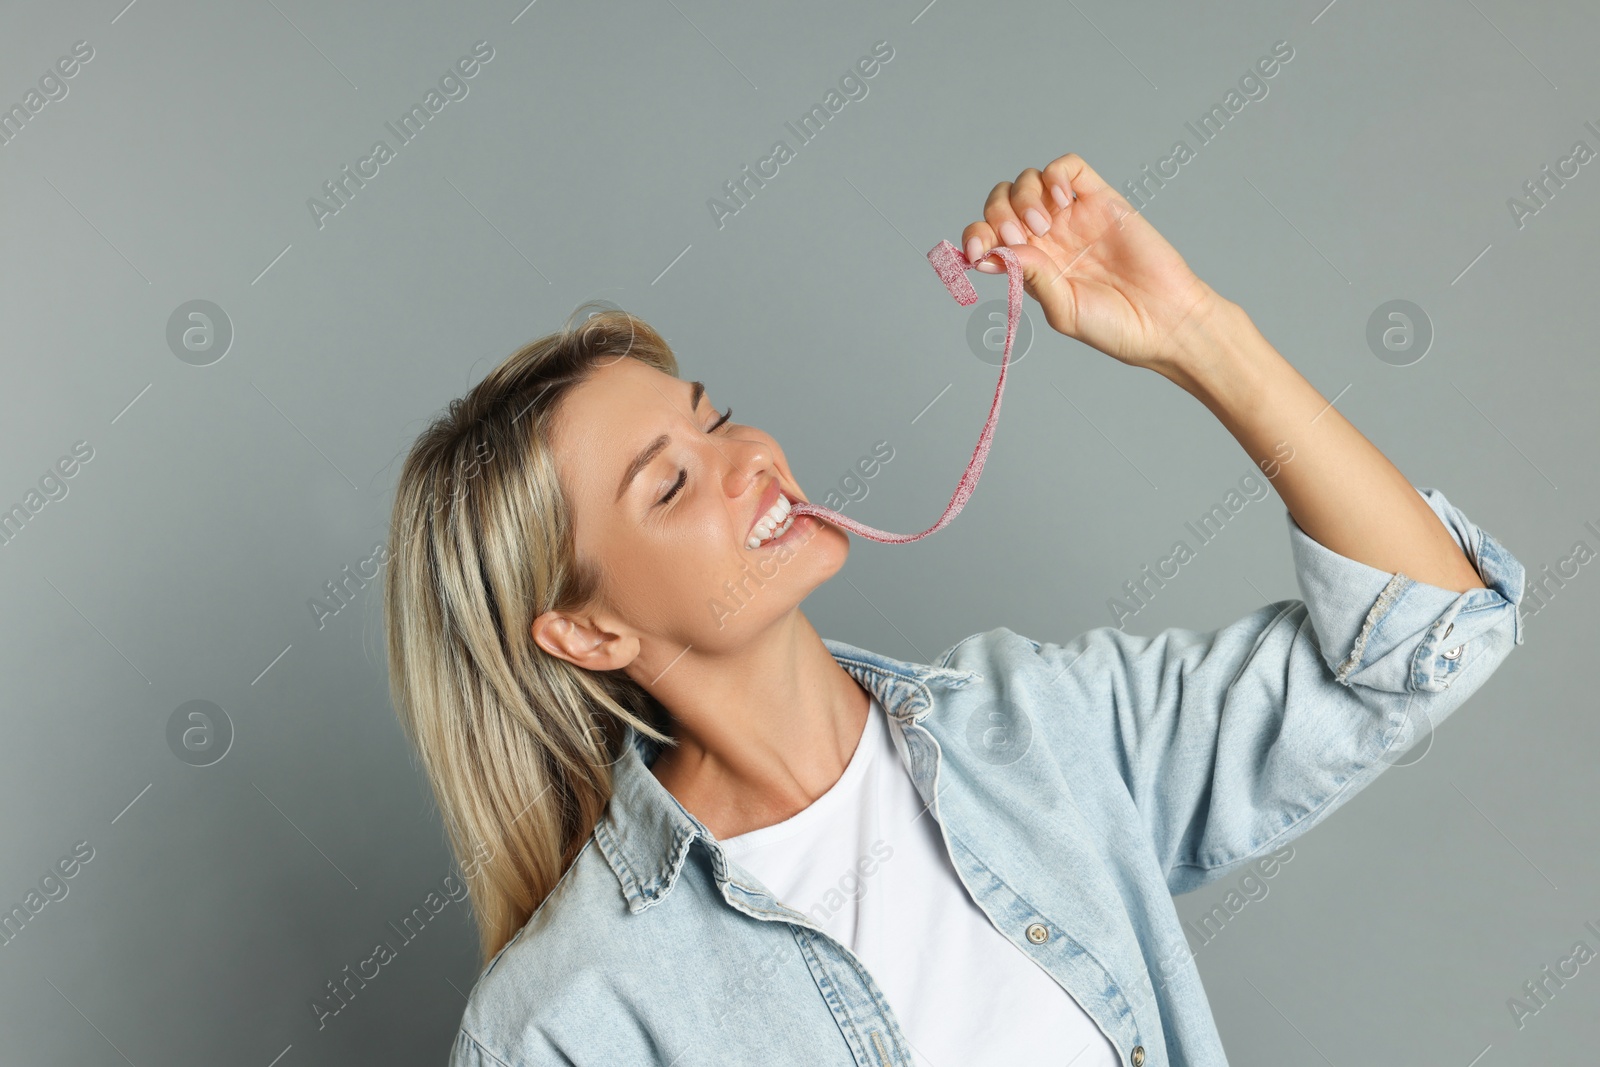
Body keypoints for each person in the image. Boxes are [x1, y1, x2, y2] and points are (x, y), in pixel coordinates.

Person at [383, 153, 1525, 1066]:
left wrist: (1195, 334)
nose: (750, 457)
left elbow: (1429, 633)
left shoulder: (1044, 727)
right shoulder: (566, 1019)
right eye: (671, 481)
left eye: (716, 416)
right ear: (588, 633)